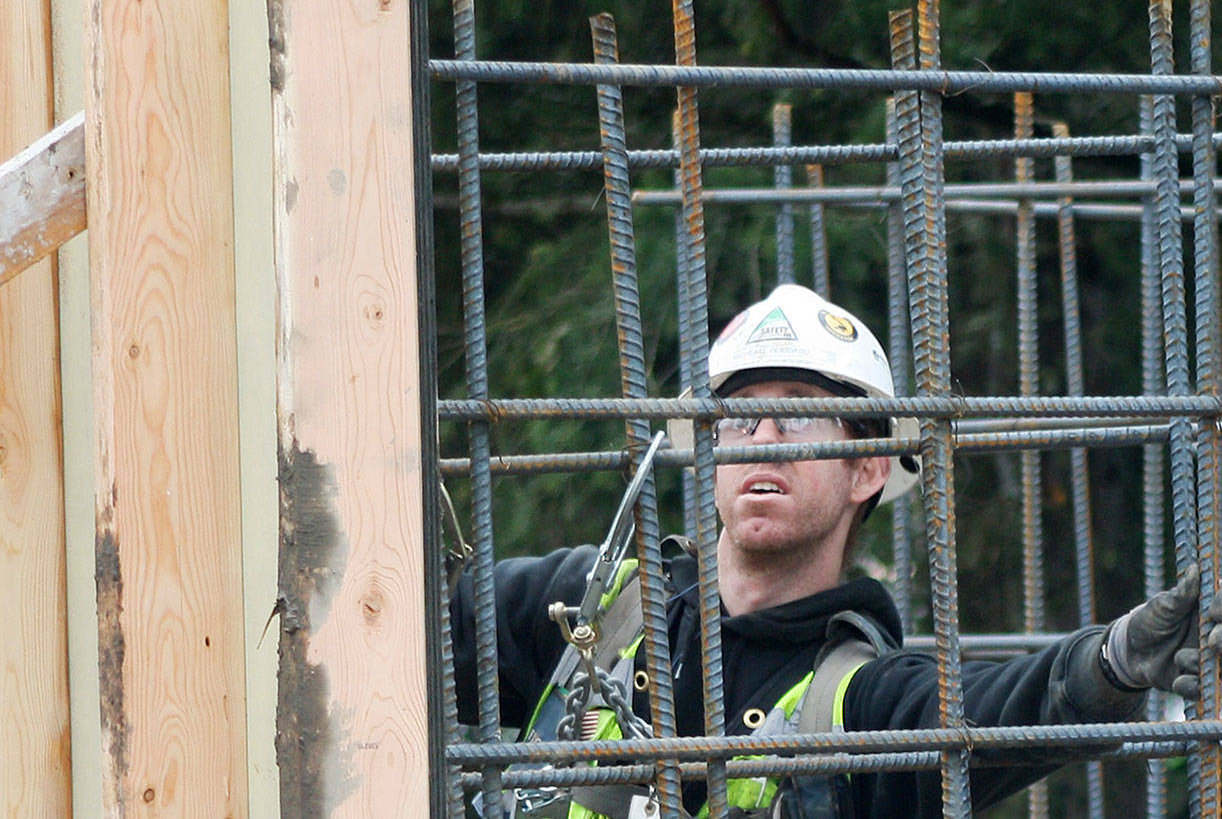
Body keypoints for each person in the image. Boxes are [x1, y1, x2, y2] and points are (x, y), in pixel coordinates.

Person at [451, 283, 1220, 818]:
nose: (763, 442)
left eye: (801, 418)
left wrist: (1113, 662)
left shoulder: (860, 696)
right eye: (738, 417)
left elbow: (988, 713)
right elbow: (387, 613)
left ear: (868, 468)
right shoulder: (595, 604)